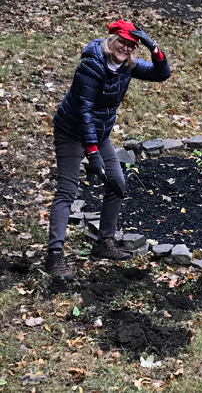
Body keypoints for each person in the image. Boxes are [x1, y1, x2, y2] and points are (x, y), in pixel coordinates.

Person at [46, 20, 171, 282]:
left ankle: (104, 243)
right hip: (71, 131)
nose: (125, 48)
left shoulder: (127, 65)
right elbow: (83, 110)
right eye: (121, 42)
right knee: (67, 190)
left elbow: (161, 74)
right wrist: (92, 152)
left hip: (99, 133)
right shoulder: (92, 64)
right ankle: (54, 255)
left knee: (116, 183)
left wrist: (154, 47)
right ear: (111, 39)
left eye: (132, 45)